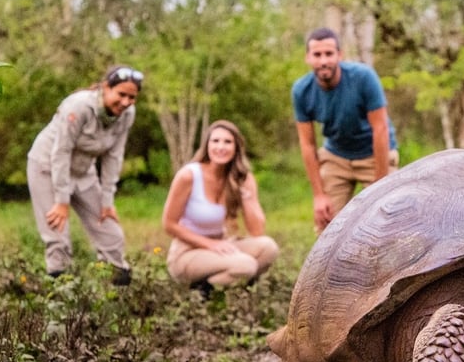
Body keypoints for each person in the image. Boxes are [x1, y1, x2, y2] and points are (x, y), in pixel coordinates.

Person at [26, 65, 143, 285]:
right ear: (106, 87)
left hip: (82, 173)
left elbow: (113, 157)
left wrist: (107, 201)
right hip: (47, 167)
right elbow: (60, 152)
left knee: (111, 234)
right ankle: (60, 305)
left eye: (132, 97)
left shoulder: (127, 115)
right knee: (58, 238)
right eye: (121, 94)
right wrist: (62, 201)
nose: (126, 102)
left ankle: (115, 296)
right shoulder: (79, 106)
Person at [292, 27, 398, 232]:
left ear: (340, 55)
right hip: (336, 156)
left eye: (329, 54)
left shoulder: (364, 77)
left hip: (373, 153)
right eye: (317, 54)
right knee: (327, 225)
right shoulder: (302, 91)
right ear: (308, 58)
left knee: (388, 220)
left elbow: (381, 129)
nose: (323, 61)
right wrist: (319, 195)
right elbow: (307, 144)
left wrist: (380, 186)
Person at [162, 119, 279, 297]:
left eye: (227, 142)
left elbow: (257, 231)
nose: (221, 147)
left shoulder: (241, 178)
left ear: (236, 147)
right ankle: (202, 293)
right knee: (246, 265)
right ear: (207, 145)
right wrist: (210, 244)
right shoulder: (189, 175)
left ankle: (231, 285)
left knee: (268, 248)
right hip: (186, 253)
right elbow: (169, 224)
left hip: (220, 246)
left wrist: (245, 193)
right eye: (215, 141)